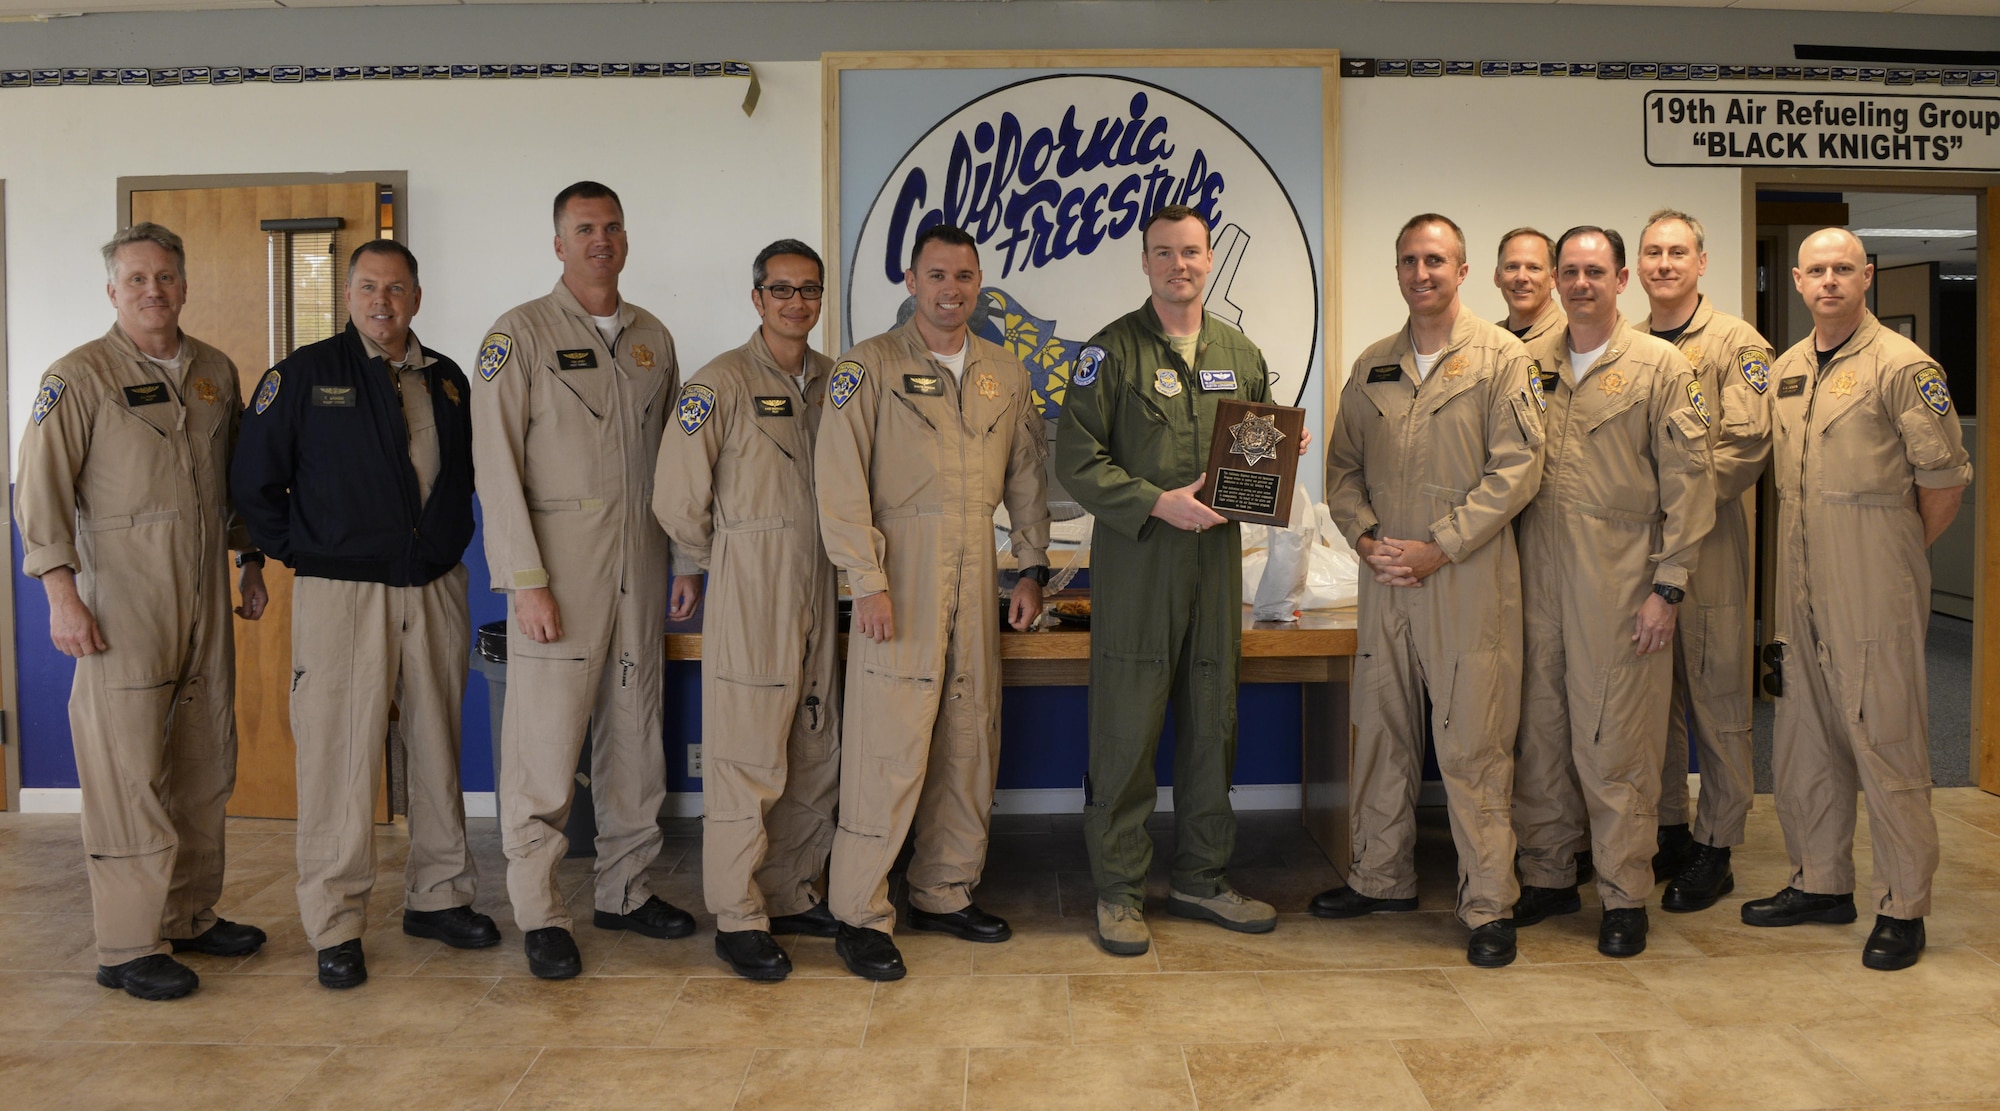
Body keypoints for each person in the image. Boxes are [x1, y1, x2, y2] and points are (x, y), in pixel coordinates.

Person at [232, 240, 498, 989]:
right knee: (339, 754)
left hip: (435, 585)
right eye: (370, 288)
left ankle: (440, 896)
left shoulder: (444, 378)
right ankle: (337, 920)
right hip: (342, 592)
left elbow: (465, 476)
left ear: (418, 295)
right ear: (348, 295)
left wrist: (447, 544)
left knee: (437, 740)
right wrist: (308, 551)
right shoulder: (305, 374)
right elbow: (254, 484)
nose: (384, 302)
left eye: (399, 288)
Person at [16, 222, 268, 1000]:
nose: (153, 291)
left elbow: (233, 486)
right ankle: (128, 944)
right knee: (128, 774)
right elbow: (41, 493)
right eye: (136, 280)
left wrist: (250, 558)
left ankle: (191, 911)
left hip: (202, 605)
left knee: (203, 761)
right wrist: (62, 594)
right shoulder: (78, 376)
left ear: (185, 285)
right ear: (112, 291)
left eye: (165, 277)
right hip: (121, 605)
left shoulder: (214, 373)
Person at [1054, 203, 1307, 958]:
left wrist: (1277, 457)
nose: (1180, 266)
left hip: (1216, 563)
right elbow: (1077, 459)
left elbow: (1256, 458)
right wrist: (1155, 502)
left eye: (1191, 252)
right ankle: (1120, 890)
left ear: (1207, 259)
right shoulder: (1110, 353)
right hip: (1140, 566)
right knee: (1127, 730)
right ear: (1145, 262)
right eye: (1163, 253)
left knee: (1211, 719)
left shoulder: (1241, 351)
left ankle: (1202, 875)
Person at [472, 182, 699, 980]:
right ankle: (538, 908)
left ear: (626, 240)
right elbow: (495, 468)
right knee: (543, 747)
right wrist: (524, 580)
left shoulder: (652, 339)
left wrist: (687, 558)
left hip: (641, 565)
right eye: (583, 229)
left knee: (635, 734)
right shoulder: (520, 335)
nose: (600, 240)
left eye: (611, 227)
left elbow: (678, 465)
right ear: (558, 244)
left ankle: (627, 888)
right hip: (558, 574)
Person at [813, 224, 1050, 981]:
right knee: (888, 742)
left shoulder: (1003, 374)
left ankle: (944, 889)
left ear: (979, 283)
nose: (953, 289)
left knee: (968, 730)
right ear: (910, 281)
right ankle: (858, 908)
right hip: (901, 570)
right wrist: (866, 579)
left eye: (966, 276)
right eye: (938, 274)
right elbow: (840, 480)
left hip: (978, 566)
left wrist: (1033, 566)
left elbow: (1026, 475)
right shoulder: (868, 367)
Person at [1317, 214, 1543, 968]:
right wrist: (1366, 537)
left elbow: (1517, 470)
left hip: (1465, 579)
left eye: (1437, 260)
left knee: (1472, 744)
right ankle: (1380, 876)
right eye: (1410, 260)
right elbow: (1343, 467)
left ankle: (1488, 904)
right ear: (1398, 270)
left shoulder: (1501, 358)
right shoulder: (1374, 364)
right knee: (1381, 731)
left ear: (1463, 270)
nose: (1423, 272)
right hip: (1386, 580)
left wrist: (1438, 547)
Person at [1742, 227, 1970, 971]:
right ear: (1800, 283)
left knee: (1886, 733)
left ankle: (1903, 904)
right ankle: (1821, 880)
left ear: (1866, 276)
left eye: (1844, 269)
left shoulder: (1904, 367)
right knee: (1806, 729)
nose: (1829, 281)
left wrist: (1895, 552)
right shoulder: (1787, 367)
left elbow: (1944, 483)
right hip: (1799, 576)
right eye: (1817, 271)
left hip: (1873, 574)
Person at [1511, 226, 1715, 959]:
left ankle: (1624, 893)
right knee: (1542, 734)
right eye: (1570, 271)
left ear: (1621, 278)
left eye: (1596, 271)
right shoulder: (1527, 362)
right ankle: (1546, 873)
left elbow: (1692, 487)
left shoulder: (1661, 367)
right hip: (1537, 582)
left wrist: (1668, 587)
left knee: (1617, 746)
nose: (1581, 283)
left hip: (1622, 586)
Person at [653, 240, 842, 981]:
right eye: (782, 290)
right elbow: (675, 496)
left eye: (809, 291)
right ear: (757, 298)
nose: (797, 303)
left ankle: (791, 889)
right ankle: (738, 911)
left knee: (813, 742)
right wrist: (715, 559)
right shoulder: (719, 383)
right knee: (747, 755)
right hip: (752, 580)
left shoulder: (837, 381)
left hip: (823, 583)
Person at [1634, 209, 1775, 912]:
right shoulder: (1625, 345)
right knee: (1652, 701)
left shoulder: (1735, 344)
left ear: (1701, 261)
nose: (1665, 263)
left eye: (1677, 252)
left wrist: (1671, 502)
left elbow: (1745, 451)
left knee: (1716, 697)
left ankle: (1715, 846)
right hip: (1638, 550)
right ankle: (1669, 828)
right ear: (1639, 265)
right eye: (1654, 252)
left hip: (1709, 543)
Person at [1494, 227, 1566, 347]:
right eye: (1512, 267)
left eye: (1534, 268)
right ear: (1497, 276)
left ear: (1553, 278)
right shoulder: (1487, 340)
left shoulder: (1571, 340)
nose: (1521, 277)